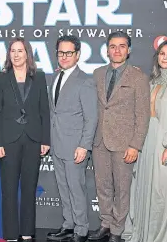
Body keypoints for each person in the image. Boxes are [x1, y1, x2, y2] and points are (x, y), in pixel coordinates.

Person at [122, 40, 167, 242]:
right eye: (162, 53)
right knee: (147, 191)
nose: (165, 57)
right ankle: (145, 234)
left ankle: (164, 237)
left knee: (164, 192)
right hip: (147, 141)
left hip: (166, 143)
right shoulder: (150, 82)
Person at [88, 31, 150, 242]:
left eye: (122, 46)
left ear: (129, 50)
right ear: (107, 50)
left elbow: (142, 115)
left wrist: (135, 145)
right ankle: (105, 223)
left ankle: (117, 230)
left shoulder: (139, 77)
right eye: (113, 46)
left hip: (124, 143)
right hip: (99, 141)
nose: (117, 50)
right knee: (102, 185)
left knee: (122, 189)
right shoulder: (96, 74)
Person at [0, 37, 50, 242]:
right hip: (8, 140)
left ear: (27, 54)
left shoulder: (39, 77)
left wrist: (45, 140)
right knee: (8, 189)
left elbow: (45, 111)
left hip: (33, 139)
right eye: (13, 51)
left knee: (29, 188)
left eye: (20, 50)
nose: (16, 54)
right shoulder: (0, 78)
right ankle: (10, 234)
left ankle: (27, 231)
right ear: (9, 54)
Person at [46, 35, 98, 242]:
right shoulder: (56, 77)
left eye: (69, 53)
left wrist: (84, 146)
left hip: (75, 146)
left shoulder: (85, 81)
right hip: (57, 144)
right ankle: (68, 225)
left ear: (77, 55)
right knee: (63, 187)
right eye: (61, 52)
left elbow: (91, 117)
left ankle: (81, 229)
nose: (64, 56)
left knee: (76, 188)